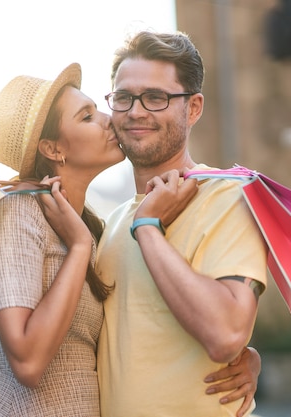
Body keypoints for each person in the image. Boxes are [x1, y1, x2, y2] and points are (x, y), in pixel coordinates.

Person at [0, 63, 261, 417]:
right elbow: (28, 362)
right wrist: (80, 248)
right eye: (87, 117)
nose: (109, 120)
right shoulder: (18, 214)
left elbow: (116, 336)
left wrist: (246, 357)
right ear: (52, 148)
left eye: (99, 109)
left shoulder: (95, 228)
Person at [96, 31, 269, 417]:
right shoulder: (110, 223)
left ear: (193, 108)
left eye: (156, 97)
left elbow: (226, 335)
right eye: (123, 97)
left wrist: (149, 229)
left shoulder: (227, 197)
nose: (136, 111)